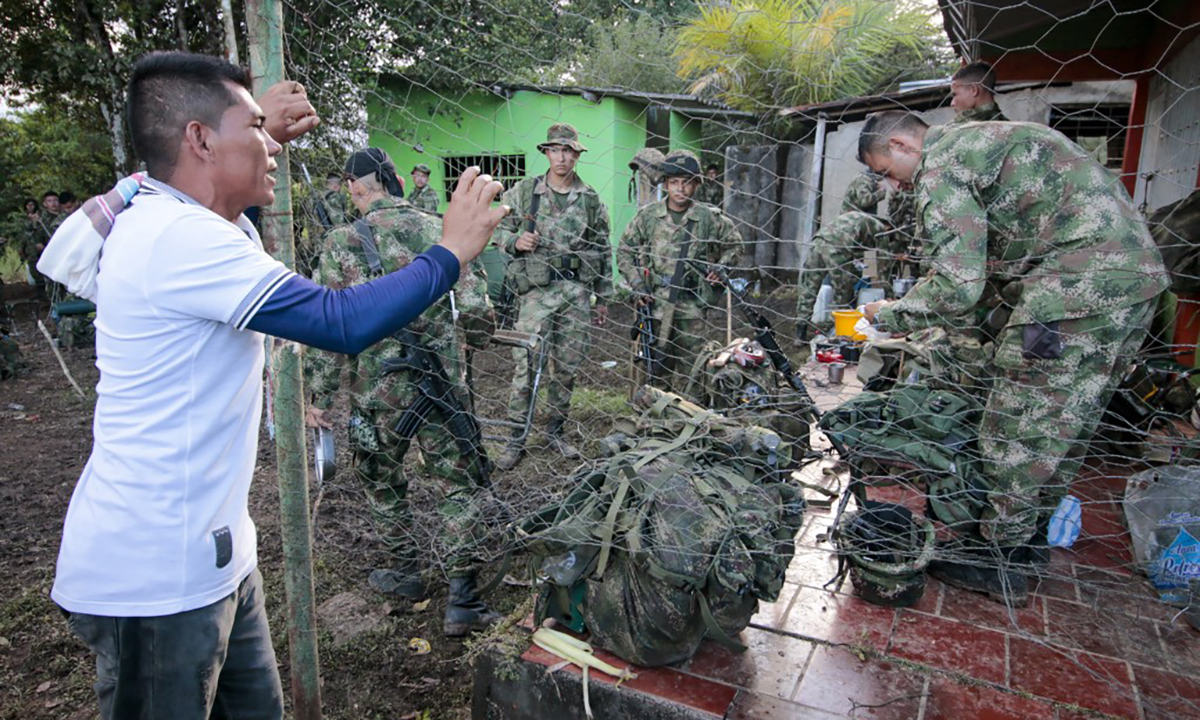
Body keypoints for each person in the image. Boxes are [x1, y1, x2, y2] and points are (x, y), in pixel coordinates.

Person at [48, 51, 507, 720]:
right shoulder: (176, 240)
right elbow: (339, 319)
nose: (271, 146)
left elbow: (228, 219)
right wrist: (450, 252)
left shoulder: (186, 221)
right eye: (253, 127)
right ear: (201, 140)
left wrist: (256, 131)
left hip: (216, 561)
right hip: (154, 580)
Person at [857, 110, 1168, 604]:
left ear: (900, 144)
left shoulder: (941, 164)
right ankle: (1029, 543)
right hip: (1136, 288)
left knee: (1016, 423)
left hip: (1068, 299)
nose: (892, 185)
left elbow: (958, 285)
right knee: (1066, 424)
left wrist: (888, 313)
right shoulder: (989, 139)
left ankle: (998, 560)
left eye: (885, 171)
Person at [306, 148, 500, 636]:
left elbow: (326, 328)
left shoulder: (340, 241)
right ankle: (463, 598)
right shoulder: (440, 229)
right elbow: (478, 315)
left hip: (377, 391)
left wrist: (318, 396)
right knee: (460, 483)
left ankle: (406, 573)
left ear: (356, 186)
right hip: (440, 388)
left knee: (381, 479)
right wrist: (466, 341)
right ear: (394, 181)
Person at [493, 123, 612, 470]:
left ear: (577, 154)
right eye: (555, 150)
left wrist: (602, 296)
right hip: (535, 293)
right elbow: (496, 225)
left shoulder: (589, 198)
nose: (562, 157)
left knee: (566, 368)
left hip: (575, 294)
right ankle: (516, 438)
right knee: (525, 366)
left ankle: (556, 432)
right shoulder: (525, 191)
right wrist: (514, 241)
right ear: (546, 152)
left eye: (568, 151)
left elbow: (602, 247)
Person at [618, 149, 740, 398]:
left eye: (687, 183)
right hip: (656, 303)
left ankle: (689, 417)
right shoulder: (649, 216)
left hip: (693, 303)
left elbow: (735, 245)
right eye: (674, 182)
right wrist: (638, 285)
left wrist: (721, 268)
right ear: (665, 183)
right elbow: (624, 251)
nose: (680, 189)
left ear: (696, 184)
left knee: (693, 366)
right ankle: (654, 419)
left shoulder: (709, 218)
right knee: (655, 365)